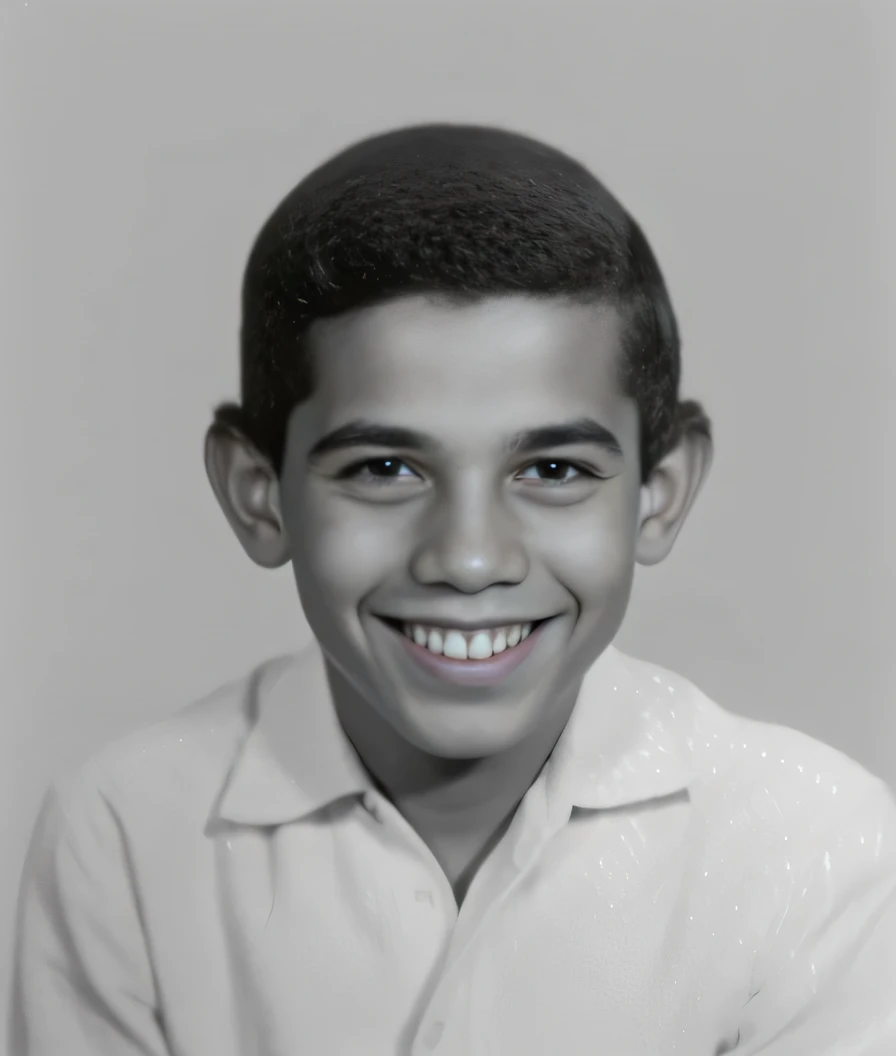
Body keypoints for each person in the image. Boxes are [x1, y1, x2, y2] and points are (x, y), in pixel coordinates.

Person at [9, 124, 896, 1056]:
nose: (470, 559)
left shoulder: (816, 844)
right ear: (258, 494)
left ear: (659, 494)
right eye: (386, 467)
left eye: (553, 470)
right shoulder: (123, 835)